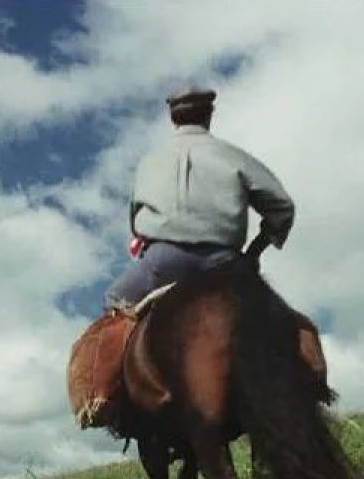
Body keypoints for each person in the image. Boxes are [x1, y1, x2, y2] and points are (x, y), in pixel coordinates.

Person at [104, 87, 295, 311]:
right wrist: (255, 250)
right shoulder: (234, 156)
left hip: (163, 262)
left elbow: (135, 222)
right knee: (279, 321)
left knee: (114, 301)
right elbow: (282, 207)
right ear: (209, 114)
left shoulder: (148, 162)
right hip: (225, 264)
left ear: (173, 118)